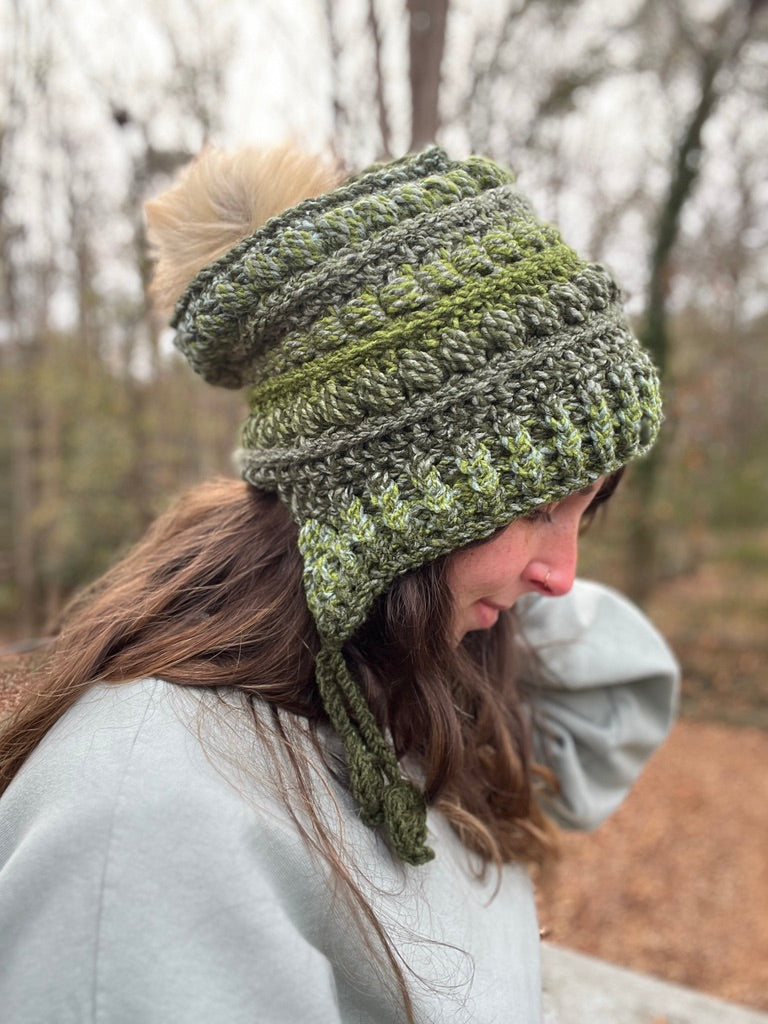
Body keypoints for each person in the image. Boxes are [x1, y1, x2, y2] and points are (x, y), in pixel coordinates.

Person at [0, 144, 679, 1023]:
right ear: (392, 505)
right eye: (540, 506)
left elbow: (609, 705)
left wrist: (456, 575)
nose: (564, 575)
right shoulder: (148, 819)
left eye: (586, 511)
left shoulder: (404, 678)